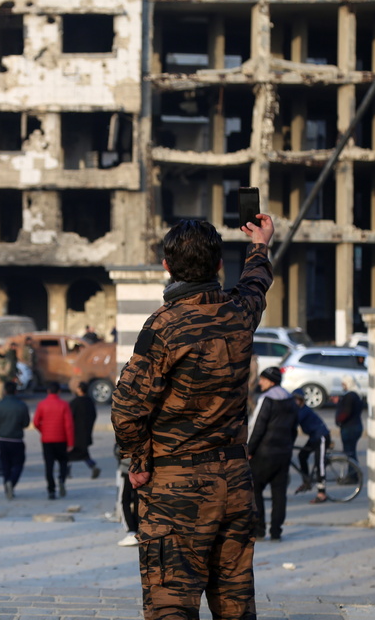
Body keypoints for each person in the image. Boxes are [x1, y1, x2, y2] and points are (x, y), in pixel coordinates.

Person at [112, 214, 275, 620]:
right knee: (236, 605)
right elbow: (256, 284)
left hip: (176, 488)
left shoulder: (165, 325)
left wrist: (139, 461)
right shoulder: (239, 312)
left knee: (171, 605)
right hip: (234, 483)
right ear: (218, 265)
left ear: (166, 266)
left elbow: (126, 409)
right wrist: (260, 245)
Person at [248, 366, 297, 542]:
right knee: (279, 494)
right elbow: (294, 429)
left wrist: (249, 450)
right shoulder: (290, 399)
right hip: (283, 453)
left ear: (270, 381)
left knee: (256, 491)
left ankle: (260, 530)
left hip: (263, 454)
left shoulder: (266, 399)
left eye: (262, 379)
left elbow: (257, 427)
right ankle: (276, 532)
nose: (260, 383)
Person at [33, 381, 74, 499]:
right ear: (59, 391)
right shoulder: (64, 405)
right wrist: (70, 443)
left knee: (49, 465)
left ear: (48, 391)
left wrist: (43, 430)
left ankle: (51, 490)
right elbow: (69, 425)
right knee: (63, 462)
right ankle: (61, 479)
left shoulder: (42, 404)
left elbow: (36, 422)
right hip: (61, 439)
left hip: (47, 440)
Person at [0, 380, 30, 499]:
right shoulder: (21, 405)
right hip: (17, 440)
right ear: (16, 391)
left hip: (3, 439)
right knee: (18, 464)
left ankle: (7, 485)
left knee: (5, 465)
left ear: (4, 391)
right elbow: (26, 423)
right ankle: (12, 483)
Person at [291, 388, 329, 503]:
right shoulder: (298, 410)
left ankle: (322, 493)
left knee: (319, 464)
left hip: (321, 437)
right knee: (302, 455)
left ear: (302, 400)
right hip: (313, 437)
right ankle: (306, 481)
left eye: (297, 400)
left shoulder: (303, 411)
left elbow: (292, 424)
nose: (295, 402)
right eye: (294, 399)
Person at [68, 381, 101, 479]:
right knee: (83, 453)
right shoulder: (90, 402)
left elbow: (69, 417)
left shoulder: (75, 402)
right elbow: (94, 415)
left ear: (80, 390)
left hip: (75, 433)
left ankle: (66, 472)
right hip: (86, 432)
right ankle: (93, 466)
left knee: (70, 454)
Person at [335, 377, 365, 464]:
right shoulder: (357, 395)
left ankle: (353, 471)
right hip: (356, 426)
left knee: (350, 454)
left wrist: (339, 420)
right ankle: (354, 470)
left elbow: (346, 412)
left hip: (350, 428)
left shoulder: (349, 396)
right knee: (351, 452)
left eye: (344, 384)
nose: (343, 386)